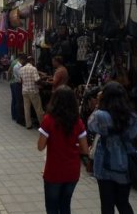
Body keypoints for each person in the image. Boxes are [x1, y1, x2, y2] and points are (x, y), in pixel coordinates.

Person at [88, 82, 137, 214]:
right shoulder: (132, 116)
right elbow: (133, 134)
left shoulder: (100, 115)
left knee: (107, 204)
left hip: (104, 163)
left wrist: (98, 105)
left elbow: (91, 126)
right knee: (123, 202)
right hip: (124, 162)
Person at [38, 86, 89, 214]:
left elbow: (40, 146)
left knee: (52, 207)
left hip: (53, 171)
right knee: (65, 205)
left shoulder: (48, 120)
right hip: (72, 171)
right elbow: (85, 150)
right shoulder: (78, 122)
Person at [20, 56, 44, 130]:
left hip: (25, 91)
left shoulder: (21, 69)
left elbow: (21, 81)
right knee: (38, 108)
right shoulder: (33, 69)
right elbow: (37, 80)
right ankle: (42, 125)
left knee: (26, 108)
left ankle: (28, 125)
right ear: (32, 61)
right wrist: (42, 81)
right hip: (33, 91)